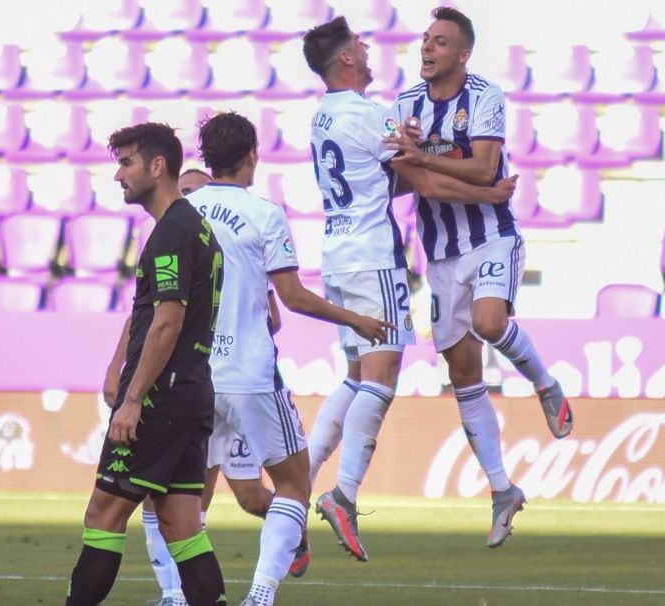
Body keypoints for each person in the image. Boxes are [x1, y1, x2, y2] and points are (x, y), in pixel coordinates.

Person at [301, 16, 519, 561]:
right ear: (345, 60)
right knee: (382, 375)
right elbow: (418, 178)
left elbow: (392, 175)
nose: (367, 48)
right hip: (373, 257)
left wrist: (413, 154)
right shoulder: (373, 115)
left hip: (335, 253)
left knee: (354, 375)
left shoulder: (323, 115)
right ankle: (344, 494)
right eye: (358, 45)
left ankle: (296, 485)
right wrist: (488, 197)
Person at [187, 111, 393, 606]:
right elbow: (294, 297)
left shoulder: (184, 211)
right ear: (252, 155)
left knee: (189, 494)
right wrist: (357, 321)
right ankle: (259, 595)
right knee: (293, 484)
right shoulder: (264, 214)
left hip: (195, 374)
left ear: (207, 158)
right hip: (250, 373)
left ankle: (177, 593)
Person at [387, 6, 574, 547]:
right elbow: (419, 183)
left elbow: (485, 166)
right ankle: (501, 489)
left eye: (440, 42)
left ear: (462, 53)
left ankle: (545, 383)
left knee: (491, 323)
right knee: (464, 376)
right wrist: (439, 168)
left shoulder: (486, 97)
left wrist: (426, 157)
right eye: (426, 39)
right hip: (440, 255)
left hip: (492, 238)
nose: (427, 48)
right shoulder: (405, 105)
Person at [65, 122, 226, 606]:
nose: (118, 175)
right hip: (193, 390)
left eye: (127, 162)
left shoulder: (173, 232)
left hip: (163, 396)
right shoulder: (193, 228)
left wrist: (134, 398)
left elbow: (166, 324)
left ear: (158, 166)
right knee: (181, 523)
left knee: (103, 513)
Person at [126, 168, 274, 606]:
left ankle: (288, 524)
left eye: (196, 193)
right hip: (196, 385)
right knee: (177, 499)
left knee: (248, 498)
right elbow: (145, 314)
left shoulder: (217, 248)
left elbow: (275, 316)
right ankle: (175, 593)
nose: (189, 202)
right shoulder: (170, 244)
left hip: (216, 383)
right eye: (186, 192)